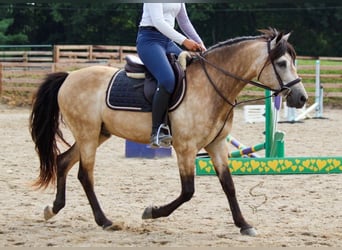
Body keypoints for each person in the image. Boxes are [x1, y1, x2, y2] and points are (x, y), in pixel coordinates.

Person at [136, 3, 206, 148]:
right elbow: (158, 22)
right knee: (167, 79)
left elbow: (184, 21)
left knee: (194, 68)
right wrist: (184, 41)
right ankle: (157, 131)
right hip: (149, 40)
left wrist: (199, 42)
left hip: (167, 41)